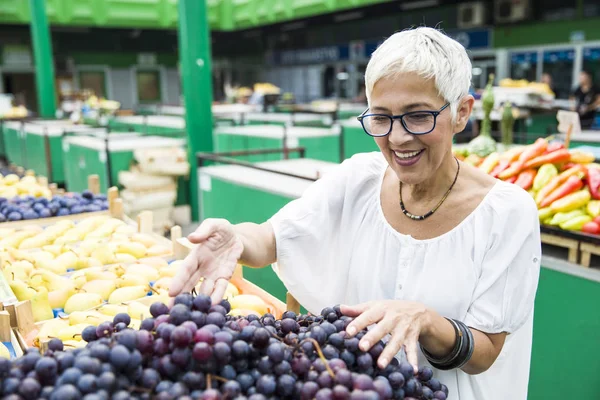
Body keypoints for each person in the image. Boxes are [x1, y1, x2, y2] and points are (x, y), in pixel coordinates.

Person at [170, 27, 541, 400]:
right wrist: (236, 237)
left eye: (417, 116)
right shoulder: (358, 180)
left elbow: (486, 350)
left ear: (462, 112)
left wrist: (426, 320)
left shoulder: (506, 213)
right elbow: (272, 237)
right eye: (381, 118)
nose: (397, 138)